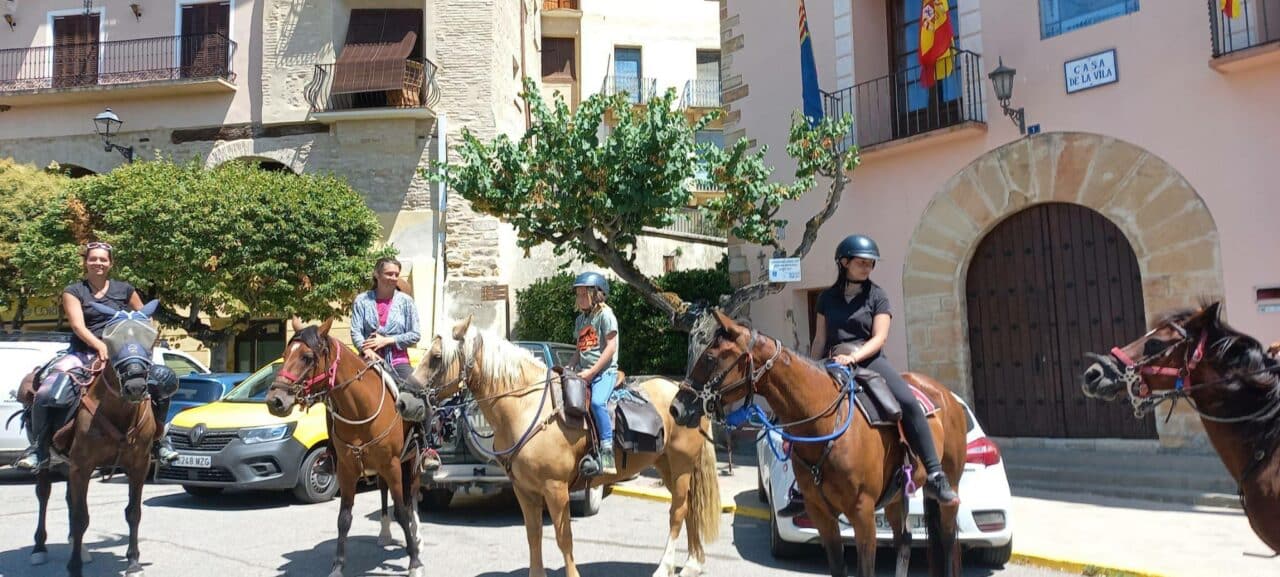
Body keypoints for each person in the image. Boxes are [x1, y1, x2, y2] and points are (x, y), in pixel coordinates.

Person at [809, 234, 960, 506]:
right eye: (861, 263)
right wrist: (811, 368)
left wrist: (854, 357)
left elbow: (879, 338)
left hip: (868, 358)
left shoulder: (877, 295)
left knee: (908, 403)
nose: (868, 268)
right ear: (844, 262)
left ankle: (936, 475)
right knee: (804, 407)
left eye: (871, 264)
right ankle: (802, 487)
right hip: (833, 360)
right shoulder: (826, 298)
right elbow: (820, 338)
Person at [15, 242, 180, 471]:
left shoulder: (124, 289)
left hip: (121, 354)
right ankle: (39, 448)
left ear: (110, 263)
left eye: (103, 259)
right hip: (83, 353)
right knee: (48, 391)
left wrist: (138, 344)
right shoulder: (74, 291)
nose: (98, 263)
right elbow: (77, 326)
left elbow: (144, 319)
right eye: (93, 259)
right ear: (86, 262)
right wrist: (100, 346)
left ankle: (160, 441)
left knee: (163, 382)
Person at [348, 257, 438, 469]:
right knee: (338, 396)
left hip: (398, 362)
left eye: (396, 274)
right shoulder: (361, 301)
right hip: (367, 362)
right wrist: (367, 349)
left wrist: (387, 340)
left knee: (422, 396)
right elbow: (355, 332)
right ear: (377, 275)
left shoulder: (406, 302)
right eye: (389, 274)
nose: (393, 278)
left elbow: (415, 334)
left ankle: (427, 448)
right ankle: (332, 453)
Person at [569, 271, 620, 476]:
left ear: (597, 294)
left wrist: (592, 371)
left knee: (598, 403)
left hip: (605, 372)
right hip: (584, 372)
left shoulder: (606, 315)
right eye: (578, 294)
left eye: (584, 294)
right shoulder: (581, 320)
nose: (580, 298)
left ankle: (607, 451)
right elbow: (579, 349)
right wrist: (570, 366)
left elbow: (610, 347)